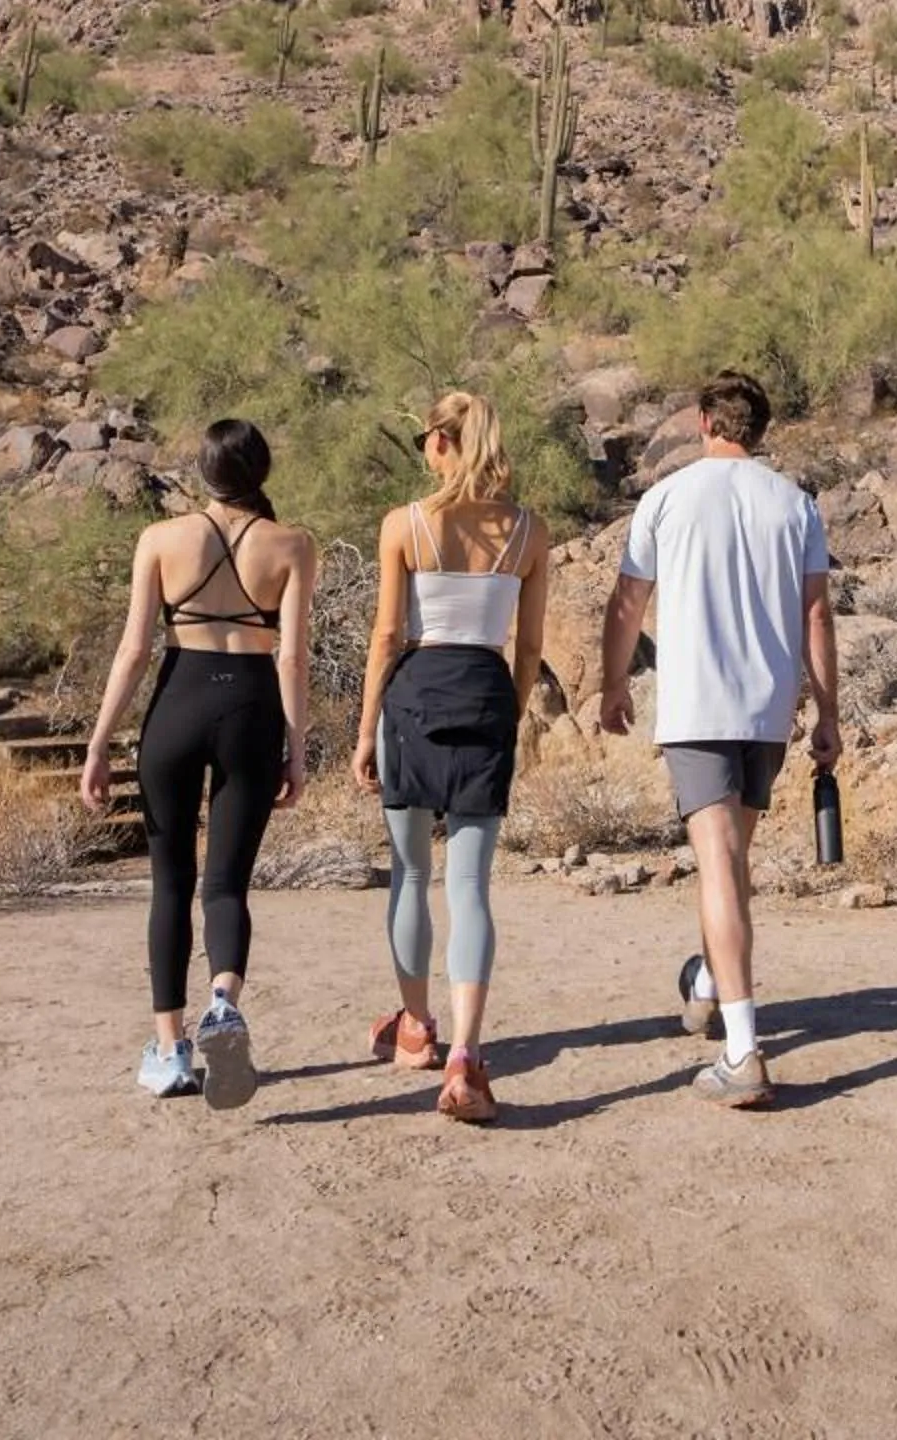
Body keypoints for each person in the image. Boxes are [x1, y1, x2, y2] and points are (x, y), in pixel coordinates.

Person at [599, 371, 839, 1109]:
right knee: (731, 866)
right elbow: (817, 614)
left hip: (697, 705)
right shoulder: (794, 503)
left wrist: (610, 685)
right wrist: (827, 710)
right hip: (767, 708)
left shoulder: (667, 499)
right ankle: (707, 983)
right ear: (759, 429)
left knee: (718, 868)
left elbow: (628, 599)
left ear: (706, 421)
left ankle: (743, 1050)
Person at [80, 418, 317, 1109]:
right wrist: (296, 748)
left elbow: (131, 652)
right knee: (226, 888)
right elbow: (293, 658)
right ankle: (223, 1001)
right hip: (251, 710)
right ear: (262, 472)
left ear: (204, 472)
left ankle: (171, 1049)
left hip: (176, 707)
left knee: (169, 885)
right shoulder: (293, 545)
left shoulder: (160, 539)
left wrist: (99, 744)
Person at [350, 390, 550, 1124]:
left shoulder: (405, 525)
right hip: (487, 692)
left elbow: (386, 636)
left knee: (409, 871)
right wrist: (513, 711)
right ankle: (466, 1054)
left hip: (414, 696)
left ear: (441, 443)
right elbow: (529, 648)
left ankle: (416, 1029)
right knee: (470, 885)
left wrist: (366, 729)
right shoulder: (528, 531)